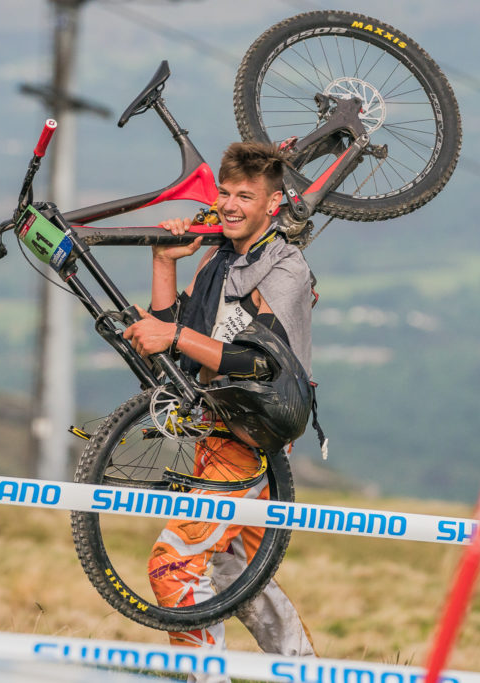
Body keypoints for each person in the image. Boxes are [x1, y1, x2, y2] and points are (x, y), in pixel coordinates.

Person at [123, 141, 316, 663]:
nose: (229, 205)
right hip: (216, 430)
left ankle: (203, 675)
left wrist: (174, 336)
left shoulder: (285, 267)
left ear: (272, 203)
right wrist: (164, 261)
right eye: (225, 193)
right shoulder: (219, 258)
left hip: (252, 440)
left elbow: (258, 364)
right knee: (240, 573)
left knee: (171, 569)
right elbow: (176, 345)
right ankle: (305, 673)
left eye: (245, 196)